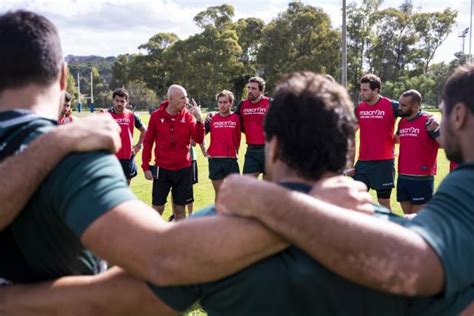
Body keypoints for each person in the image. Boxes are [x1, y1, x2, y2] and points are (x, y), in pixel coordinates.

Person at [6, 70, 474, 315]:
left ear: (269, 145)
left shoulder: (208, 244)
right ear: (350, 151)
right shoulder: (404, 244)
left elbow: (98, 303)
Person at [0, 10, 288, 316]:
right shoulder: (76, 157)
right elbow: (164, 261)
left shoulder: (69, 148)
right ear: (63, 75)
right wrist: (295, 207)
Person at [141, 87, 205, 220]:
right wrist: (145, 166)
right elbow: (148, 142)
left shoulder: (188, 116)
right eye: (182, 97)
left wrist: (199, 120)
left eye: (186, 97)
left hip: (183, 170)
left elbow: (198, 139)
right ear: (171, 99)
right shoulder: (156, 116)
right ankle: (153, 236)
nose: (186, 101)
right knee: (157, 208)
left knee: (180, 209)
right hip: (162, 169)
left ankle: (179, 239)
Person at [349, 74, 399, 210]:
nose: (361, 93)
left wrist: (399, 134)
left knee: (384, 203)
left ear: (376, 90)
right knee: (356, 200)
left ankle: (388, 230)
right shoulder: (359, 108)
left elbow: (412, 112)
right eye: (361, 89)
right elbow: (350, 135)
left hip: (384, 163)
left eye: (365, 90)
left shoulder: (392, 106)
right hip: (363, 163)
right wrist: (350, 163)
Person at [395, 89, 441, 214]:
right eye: (399, 104)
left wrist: (439, 123)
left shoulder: (429, 121)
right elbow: (397, 139)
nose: (399, 108)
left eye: (404, 105)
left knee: (417, 219)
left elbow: (444, 144)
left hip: (422, 178)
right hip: (402, 176)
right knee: (408, 216)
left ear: (415, 106)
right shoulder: (402, 122)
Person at [203, 90, 241, 199]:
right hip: (215, 160)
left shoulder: (237, 118)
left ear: (231, 103)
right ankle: (219, 216)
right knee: (219, 194)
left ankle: (234, 216)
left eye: (225, 102)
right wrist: (204, 150)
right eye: (220, 102)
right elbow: (199, 136)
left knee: (234, 194)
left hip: (231, 160)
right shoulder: (211, 119)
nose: (222, 105)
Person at [108, 88, 146, 185]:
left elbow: (144, 130)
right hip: (111, 157)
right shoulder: (106, 115)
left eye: (122, 101)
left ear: (126, 102)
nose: (119, 104)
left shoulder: (131, 115)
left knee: (126, 183)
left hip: (127, 157)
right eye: (117, 101)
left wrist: (138, 145)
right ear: (113, 101)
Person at [235, 76, 271, 178]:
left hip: (269, 150)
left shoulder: (270, 103)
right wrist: (213, 114)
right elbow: (233, 120)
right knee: (247, 185)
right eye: (249, 88)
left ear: (261, 91)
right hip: (251, 151)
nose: (250, 91)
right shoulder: (242, 105)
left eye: (253, 88)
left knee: (268, 187)